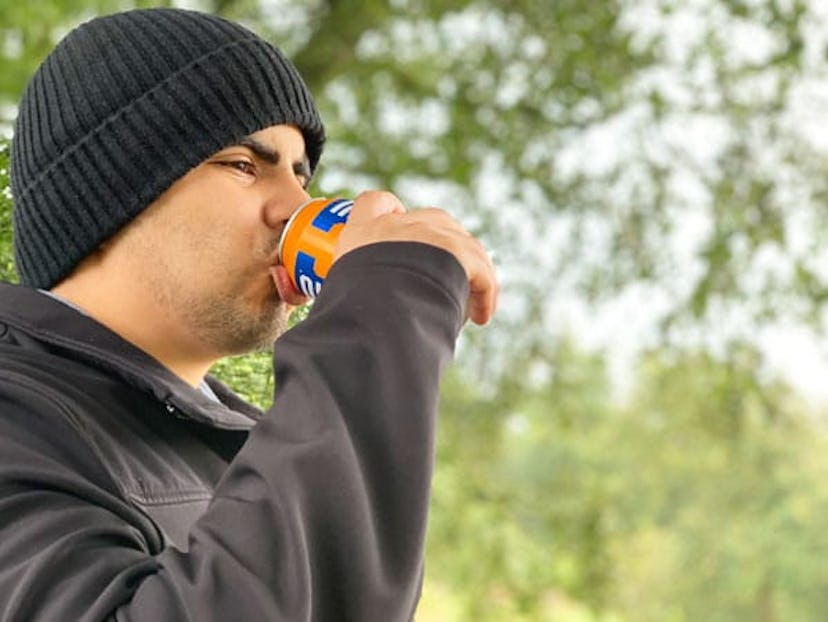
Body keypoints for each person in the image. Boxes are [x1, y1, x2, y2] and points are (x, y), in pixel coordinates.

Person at [0, 7, 497, 622]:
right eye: (243, 165)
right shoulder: (17, 420)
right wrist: (378, 314)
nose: (298, 206)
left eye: (301, 173)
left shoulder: (244, 438)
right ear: (108, 199)